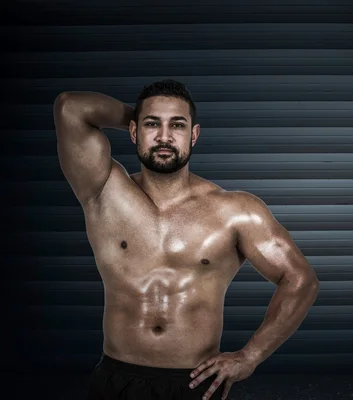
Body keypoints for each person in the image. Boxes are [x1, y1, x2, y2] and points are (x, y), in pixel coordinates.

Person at [52, 79, 320, 400]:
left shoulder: (236, 211)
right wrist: (135, 116)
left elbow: (300, 279)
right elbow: (70, 106)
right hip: (117, 379)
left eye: (177, 125)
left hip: (194, 383)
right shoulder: (104, 192)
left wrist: (250, 356)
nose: (164, 136)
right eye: (153, 125)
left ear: (193, 135)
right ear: (134, 132)